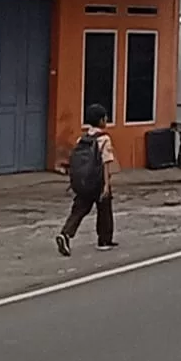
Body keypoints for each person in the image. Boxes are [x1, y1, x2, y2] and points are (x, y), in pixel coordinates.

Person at [56, 104, 118, 256]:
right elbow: (106, 163)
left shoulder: (81, 139)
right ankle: (104, 240)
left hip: (83, 182)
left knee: (79, 209)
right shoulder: (104, 139)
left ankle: (66, 233)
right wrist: (106, 185)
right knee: (104, 210)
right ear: (102, 120)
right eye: (105, 118)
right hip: (97, 181)